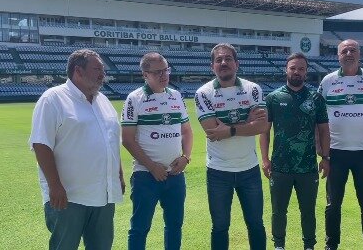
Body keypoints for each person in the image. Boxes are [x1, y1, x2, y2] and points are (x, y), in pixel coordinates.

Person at [29, 49, 125, 250]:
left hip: (103, 195)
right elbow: (41, 144)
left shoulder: (103, 101)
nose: (102, 74)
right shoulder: (53, 99)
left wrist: (119, 176)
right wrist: (54, 185)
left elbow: (112, 142)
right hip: (68, 197)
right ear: (78, 71)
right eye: (97, 69)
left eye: (103, 70)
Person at [194, 43, 268, 250]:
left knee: (255, 224)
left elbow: (262, 126)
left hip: (249, 169)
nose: (223, 63)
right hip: (219, 171)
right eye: (219, 60)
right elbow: (213, 132)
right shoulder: (203, 93)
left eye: (228, 59)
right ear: (212, 66)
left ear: (237, 64)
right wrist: (247, 123)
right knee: (220, 226)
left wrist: (230, 130)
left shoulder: (252, 89)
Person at [318, 39, 363, 250]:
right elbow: (316, 117)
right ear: (338, 56)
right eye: (344, 51)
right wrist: (320, 149)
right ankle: (331, 245)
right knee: (333, 205)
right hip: (335, 153)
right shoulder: (328, 81)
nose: (349, 53)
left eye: (353, 50)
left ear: (359, 54)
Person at [121, 52, 193, 250]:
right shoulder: (134, 99)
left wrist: (186, 158)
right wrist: (152, 167)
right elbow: (127, 139)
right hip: (146, 176)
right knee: (140, 228)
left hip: (176, 175)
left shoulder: (176, 96)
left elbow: (187, 131)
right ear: (145, 74)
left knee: (174, 226)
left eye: (166, 70)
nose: (164, 75)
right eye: (158, 72)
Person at [260, 52, 331, 250]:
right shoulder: (273, 98)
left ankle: (309, 245)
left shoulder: (315, 98)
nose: (297, 72)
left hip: (307, 167)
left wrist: (325, 158)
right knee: (278, 211)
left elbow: (324, 130)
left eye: (301, 69)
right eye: (293, 68)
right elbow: (265, 132)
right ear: (286, 70)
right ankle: (279, 245)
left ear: (306, 72)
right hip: (280, 166)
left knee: (308, 211)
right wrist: (265, 159)